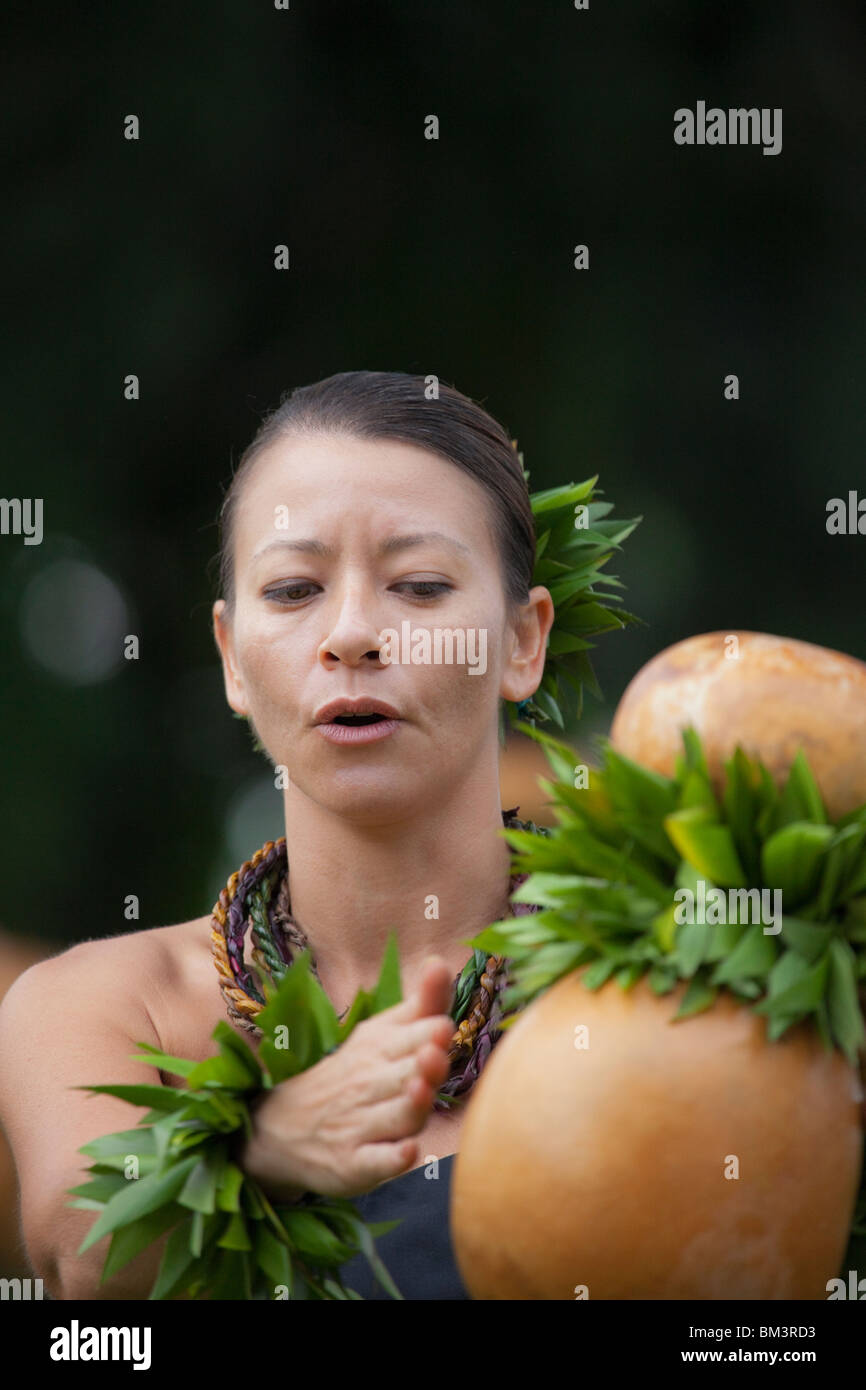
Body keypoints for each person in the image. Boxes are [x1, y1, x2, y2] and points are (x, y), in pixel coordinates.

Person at [0, 370, 555, 1299]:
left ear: (521, 643)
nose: (350, 634)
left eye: (418, 585)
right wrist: (266, 1145)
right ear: (231, 659)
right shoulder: (102, 1005)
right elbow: (84, 1262)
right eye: (294, 590)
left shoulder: (657, 992)